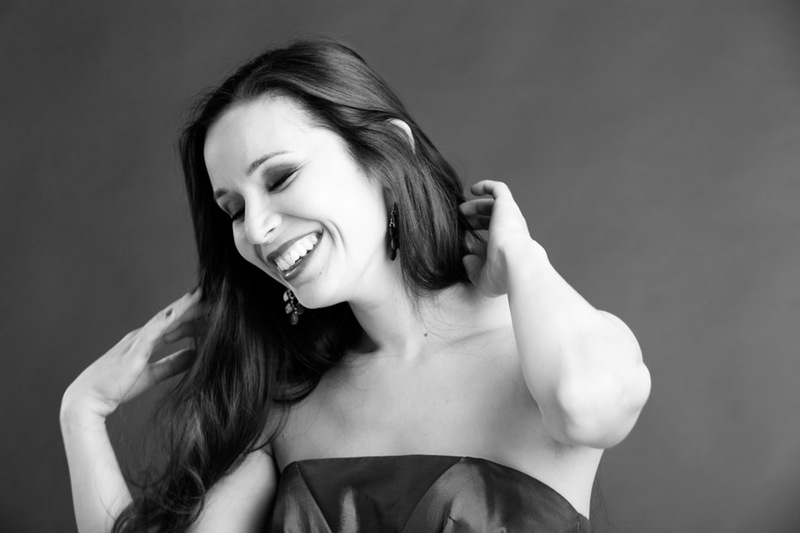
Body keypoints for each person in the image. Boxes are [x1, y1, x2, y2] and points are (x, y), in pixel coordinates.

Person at [60, 39, 651, 533]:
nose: (257, 229)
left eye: (280, 177)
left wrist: (522, 258)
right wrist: (82, 412)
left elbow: (585, 408)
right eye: (234, 209)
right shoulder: (286, 408)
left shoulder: (553, 349)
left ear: (387, 152)